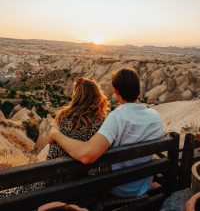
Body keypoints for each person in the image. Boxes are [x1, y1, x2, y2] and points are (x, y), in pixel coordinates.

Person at [48, 68, 163, 198]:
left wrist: (56, 134)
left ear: (116, 91)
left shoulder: (116, 117)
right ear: (138, 90)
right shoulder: (155, 117)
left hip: (119, 188)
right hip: (144, 185)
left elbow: (86, 156)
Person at [0, 77, 109, 208]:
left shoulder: (63, 118)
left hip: (53, 189)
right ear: (97, 97)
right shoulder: (102, 124)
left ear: (76, 96)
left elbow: (52, 154)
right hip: (84, 193)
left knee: (14, 193)